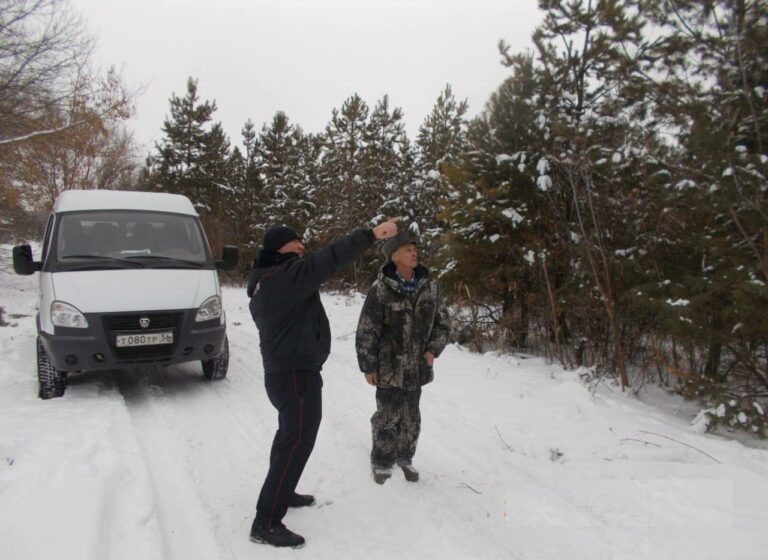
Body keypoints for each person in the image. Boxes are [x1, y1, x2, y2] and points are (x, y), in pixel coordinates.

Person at [246, 218, 400, 548]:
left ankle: (281, 494)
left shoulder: (270, 279)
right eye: (295, 242)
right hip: (294, 375)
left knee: (289, 435)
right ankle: (266, 521)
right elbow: (328, 258)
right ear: (277, 248)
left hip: (288, 374)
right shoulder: (283, 278)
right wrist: (371, 234)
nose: (302, 246)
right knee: (296, 440)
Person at [355, 230, 450, 484]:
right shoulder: (381, 289)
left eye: (414, 249)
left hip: (417, 368)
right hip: (388, 367)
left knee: (411, 416)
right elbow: (367, 329)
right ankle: (382, 461)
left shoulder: (430, 287)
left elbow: (443, 324)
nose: (414, 252)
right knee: (387, 415)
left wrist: (432, 351)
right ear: (395, 256)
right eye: (408, 249)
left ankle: (405, 457)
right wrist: (368, 365)